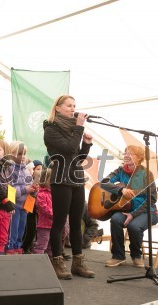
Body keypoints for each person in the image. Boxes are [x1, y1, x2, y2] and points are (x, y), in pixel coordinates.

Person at [43, 94, 94, 279]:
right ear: (57, 108)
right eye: (69, 105)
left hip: (77, 178)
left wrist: (86, 145)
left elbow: (77, 157)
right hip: (61, 179)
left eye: (74, 105)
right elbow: (69, 149)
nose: (73, 109)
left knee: (76, 222)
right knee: (59, 223)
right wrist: (80, 127)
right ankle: (57, 262)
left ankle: (78, 264)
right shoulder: (51, 130)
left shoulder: (73, 129)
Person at [101, 145, 157, 268]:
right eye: (125, 153)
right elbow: (104, 183)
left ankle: (136, 256)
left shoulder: (146, 174)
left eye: (130, 153)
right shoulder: (120, 171)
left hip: (146, 211)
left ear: (139, 157)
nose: (126, 155)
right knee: (115, 219)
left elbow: (152, 199)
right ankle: (118, 256)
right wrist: (121, 190)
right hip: (126, 209)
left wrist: (133, 214)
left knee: (134, 226)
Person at [6, 141, 36, 254]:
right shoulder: (9, 169)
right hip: (14, 205)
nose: (23, 156)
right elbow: (9, 190)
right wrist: (25, 189)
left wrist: (34, 190)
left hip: (24, 206)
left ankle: (18, 246)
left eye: (24, 153)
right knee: (13, 229)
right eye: (19, 153)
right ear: (12, 153)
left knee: (21, 228)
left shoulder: (26, 170)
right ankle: (10, 247)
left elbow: (30, 186)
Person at [33, 167, 53, 256]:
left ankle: (50, 261)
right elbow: (44, 208)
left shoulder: (54, 193)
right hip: (44, 225)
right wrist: (56, 215)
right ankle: (38, 259)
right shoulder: (41, 194)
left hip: (53, 225)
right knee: (42, 245)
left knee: (51, 246)